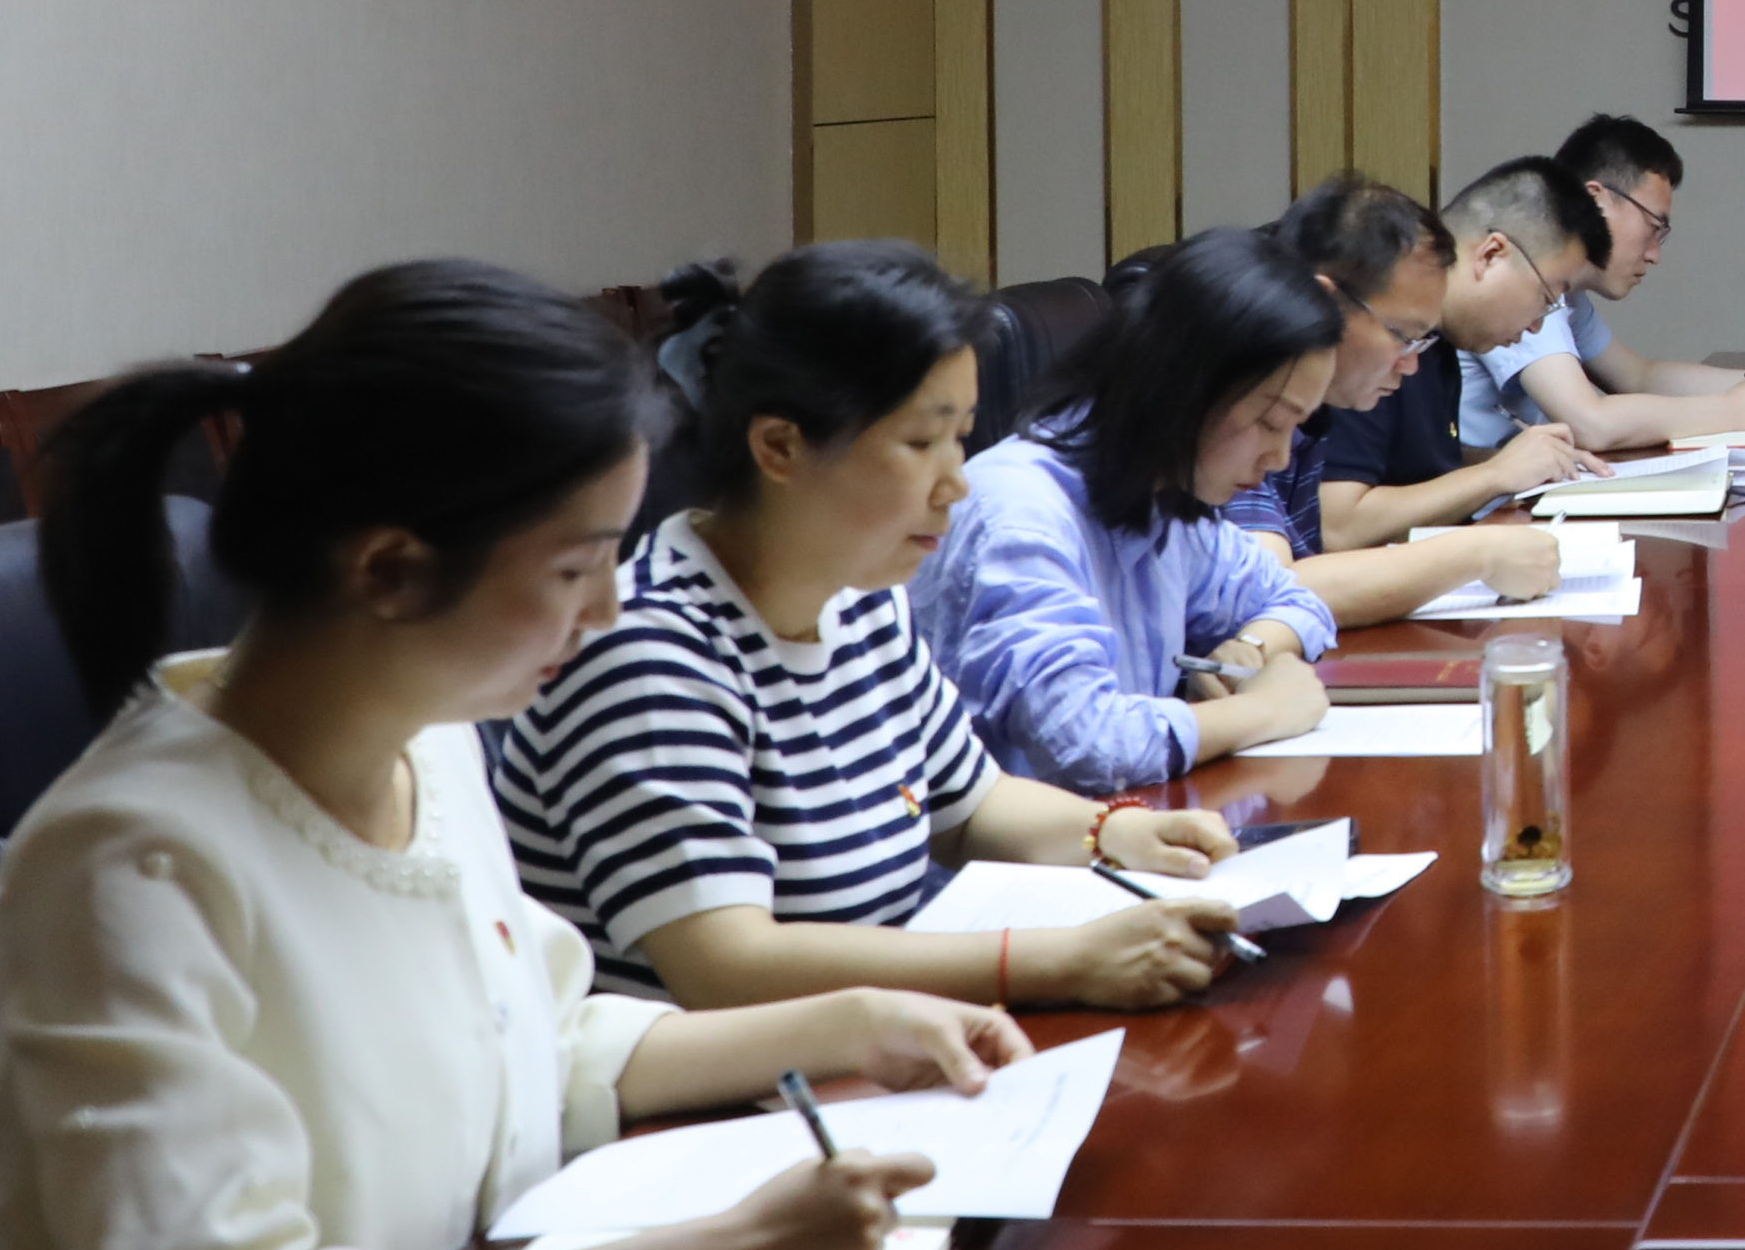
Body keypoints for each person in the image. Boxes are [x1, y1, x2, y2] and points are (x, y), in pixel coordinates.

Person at [0, 261, 1013, 1250]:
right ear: (388, 568)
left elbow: (535, 1031)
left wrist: (844, 1022)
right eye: (573, 567)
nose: (608, 611)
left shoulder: (429, 750)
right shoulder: (133, 860)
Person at [498, 245, 1258, 1014]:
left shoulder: (860, 600)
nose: (956, 482)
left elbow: (973, 806)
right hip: (714, 1107)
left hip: (867, 1060)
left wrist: (1114, 833)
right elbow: (728, 965)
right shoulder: (650, 651)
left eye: (961, 436)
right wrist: (1056, 960)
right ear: (780, 447)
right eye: (921, 443)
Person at [911, 227, 1345, 789]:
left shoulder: (1163, 495)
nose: (1281, 456)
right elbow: (1081, 743)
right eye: (1269, 421)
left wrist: (1251, 650)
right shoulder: (1020, 512)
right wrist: (1259, 712)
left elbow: (1294, 598)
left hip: (1121, 839)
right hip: (1016, 864)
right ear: (1186, 383)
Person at [1228, 173, 1573, 628]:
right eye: (1404, 337)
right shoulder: (1231, 400)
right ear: (1325, 303)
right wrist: (1477, 553)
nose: (1411, 366)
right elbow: (1272, 588)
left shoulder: (1303, 420)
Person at [1449, 117, 1745, 457]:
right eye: (1654, 226)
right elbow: (1590, 423)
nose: (1655, 254)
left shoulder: (1564, 294)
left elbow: (1639, 376)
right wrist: (1731, 413)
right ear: (1597, 200)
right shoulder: (1521, 286)